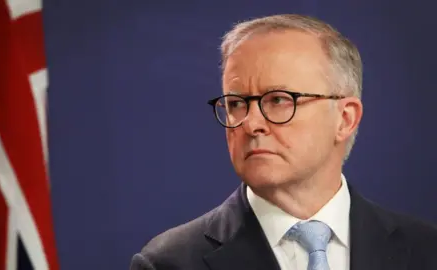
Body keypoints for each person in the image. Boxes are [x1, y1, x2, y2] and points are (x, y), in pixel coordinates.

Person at [130, 14, 437, 270]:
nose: (250, 123)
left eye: (278, 99)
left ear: (345, 119)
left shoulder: (426, 250)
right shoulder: (170, 263)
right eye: (236, 103)